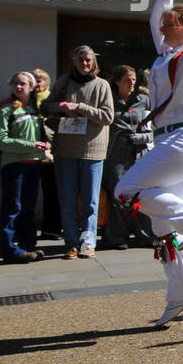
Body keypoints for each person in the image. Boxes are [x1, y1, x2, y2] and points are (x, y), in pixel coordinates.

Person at [113, 0, 183, 324]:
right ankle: (182, 291)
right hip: (172, 140)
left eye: (169, 24)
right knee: (162, 228)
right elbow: (155, 15)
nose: (161, 28)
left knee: (125, 188)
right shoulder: (165, 54)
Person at [40, 46, 114, 257]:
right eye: (80, 60)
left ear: (94, 62)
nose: (84, 64)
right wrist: (63, 106)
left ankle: (88, 243)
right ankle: (71, 243)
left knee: (91, 202)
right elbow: (45, 107)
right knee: (67, 201)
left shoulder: (102, 85)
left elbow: (107, 117)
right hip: (65, 150)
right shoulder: (64, 82)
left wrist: (81, 108)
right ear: (74, 61)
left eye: (88, 60)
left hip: (92, 151)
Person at [0, 71, 51, 263]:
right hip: (14, 166)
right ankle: (9, 250)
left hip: (33, 165)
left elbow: (41, 135)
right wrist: (31, 146)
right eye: (16, 83)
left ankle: (27, 246)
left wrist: (46, 143)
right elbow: (0, 140)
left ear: (32, 87)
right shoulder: (5, 109)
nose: (19, 87)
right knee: (12, 208)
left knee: (28, 208)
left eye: (23, 84)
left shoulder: (36, 109)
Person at [102, 65, 155, 250]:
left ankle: (146, 236)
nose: (132, 83)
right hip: (115, 155)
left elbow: (154, 130)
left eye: (134, 79)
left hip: (140, 154)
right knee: (119, 195)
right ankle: (116, 237)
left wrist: (140, 137)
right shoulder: (109, 101)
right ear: (117, 82)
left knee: (142, 194)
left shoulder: (144, 100)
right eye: (127, 80)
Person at [31, 68, 61, 241]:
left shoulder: (52, 101)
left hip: (51, 155)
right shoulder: (24, 102)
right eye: (34, 80)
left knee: (52, 193)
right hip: (29, 154)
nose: (38, 83)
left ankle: (52, 228)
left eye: (41, 80)